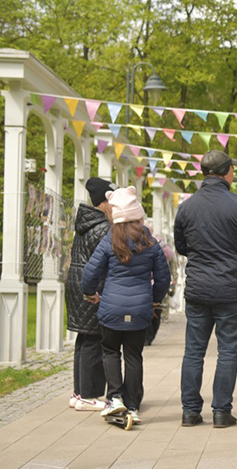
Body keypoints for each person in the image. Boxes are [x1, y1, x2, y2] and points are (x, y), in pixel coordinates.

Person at [174, 150, 237, 428]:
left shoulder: (187, 207)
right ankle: (222, 412)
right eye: (233, 170)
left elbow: (181, 247)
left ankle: (190, 411)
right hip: (229, 288)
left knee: (193, 351)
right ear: (226, 172)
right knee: (227, 351)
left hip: (198, 288)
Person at [81, 187, 171, 425]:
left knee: (110, 351)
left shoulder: (109, 239)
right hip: (140, 309)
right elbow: (164, 277)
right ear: (138, 215)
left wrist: (90, 293)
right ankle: (132, 405)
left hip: (111, 308)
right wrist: (154, 299)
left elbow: (90, 272)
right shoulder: (150, 241)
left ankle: (114, 398)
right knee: (134, 355)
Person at [65, 177, 115, 411]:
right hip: (92, 285)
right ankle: (90, 393)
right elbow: (103, 262)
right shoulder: (104, 227)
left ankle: (78, 392)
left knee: (84, 338)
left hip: (77, 281)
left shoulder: (86, 222)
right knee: (95, 338)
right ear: (104, 202)